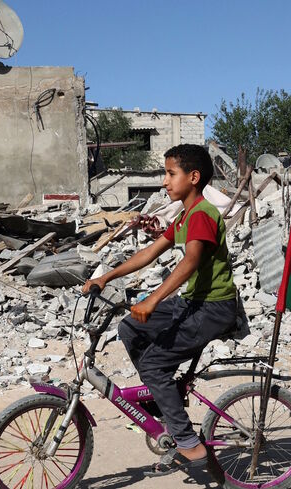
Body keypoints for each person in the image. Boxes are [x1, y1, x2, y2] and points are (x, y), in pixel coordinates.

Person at [82, 144, 237, 477]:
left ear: (193, 177)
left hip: (213, 307)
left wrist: (152, 300)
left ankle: (187, 442)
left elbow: (191, 261)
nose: (165, 182)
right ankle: (161, 398)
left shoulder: (202, 215)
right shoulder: (184, 215)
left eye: (170, 174)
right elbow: (150, 253)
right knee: (129, 328)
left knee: (152, 362)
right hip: (194, 302)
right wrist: (105, 276)